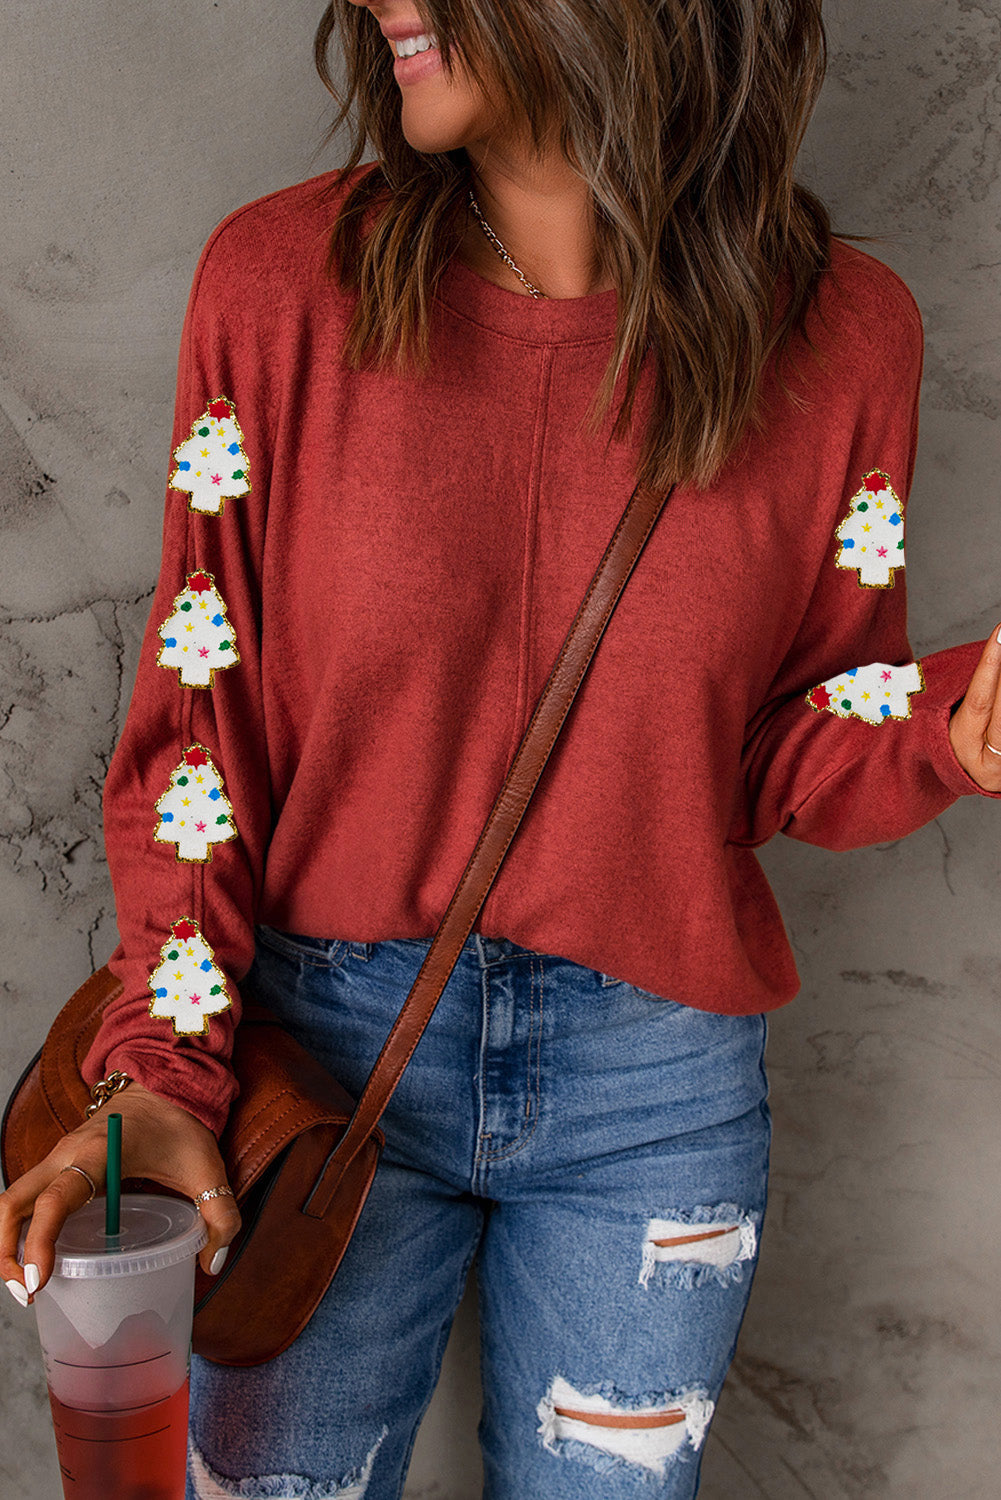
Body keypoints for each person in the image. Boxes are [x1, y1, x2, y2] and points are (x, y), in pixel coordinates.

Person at [2, 1, 1000, 1495]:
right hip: (319, 1059)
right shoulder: (280, 285)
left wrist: (956, 726)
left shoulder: (847, 332)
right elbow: (201, 728)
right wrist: (163, 1065)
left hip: (657, 1087)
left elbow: (795, 735)